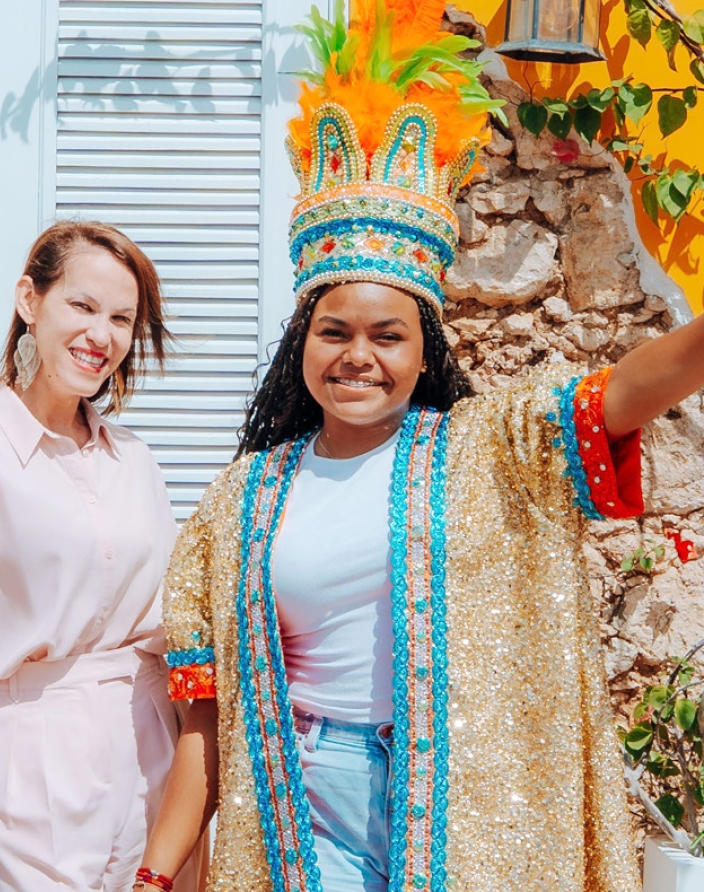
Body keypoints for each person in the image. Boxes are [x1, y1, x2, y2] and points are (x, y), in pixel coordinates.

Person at [131, 2, 677, 890]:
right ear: (299, 344)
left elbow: (621, 394)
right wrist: (155, 878)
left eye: (387, 336)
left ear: (426, 352)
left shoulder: (489, 450)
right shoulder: (239, 501)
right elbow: (205, 727)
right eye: (334, 331)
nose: (357, 356)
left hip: (474, 805)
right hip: (300, 805)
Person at [0, 220, 198, 891]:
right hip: (32, 747)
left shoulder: (135, 459)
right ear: (30, 300)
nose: (101, 336)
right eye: (81, 306)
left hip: (151, 737)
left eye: (121, 318)